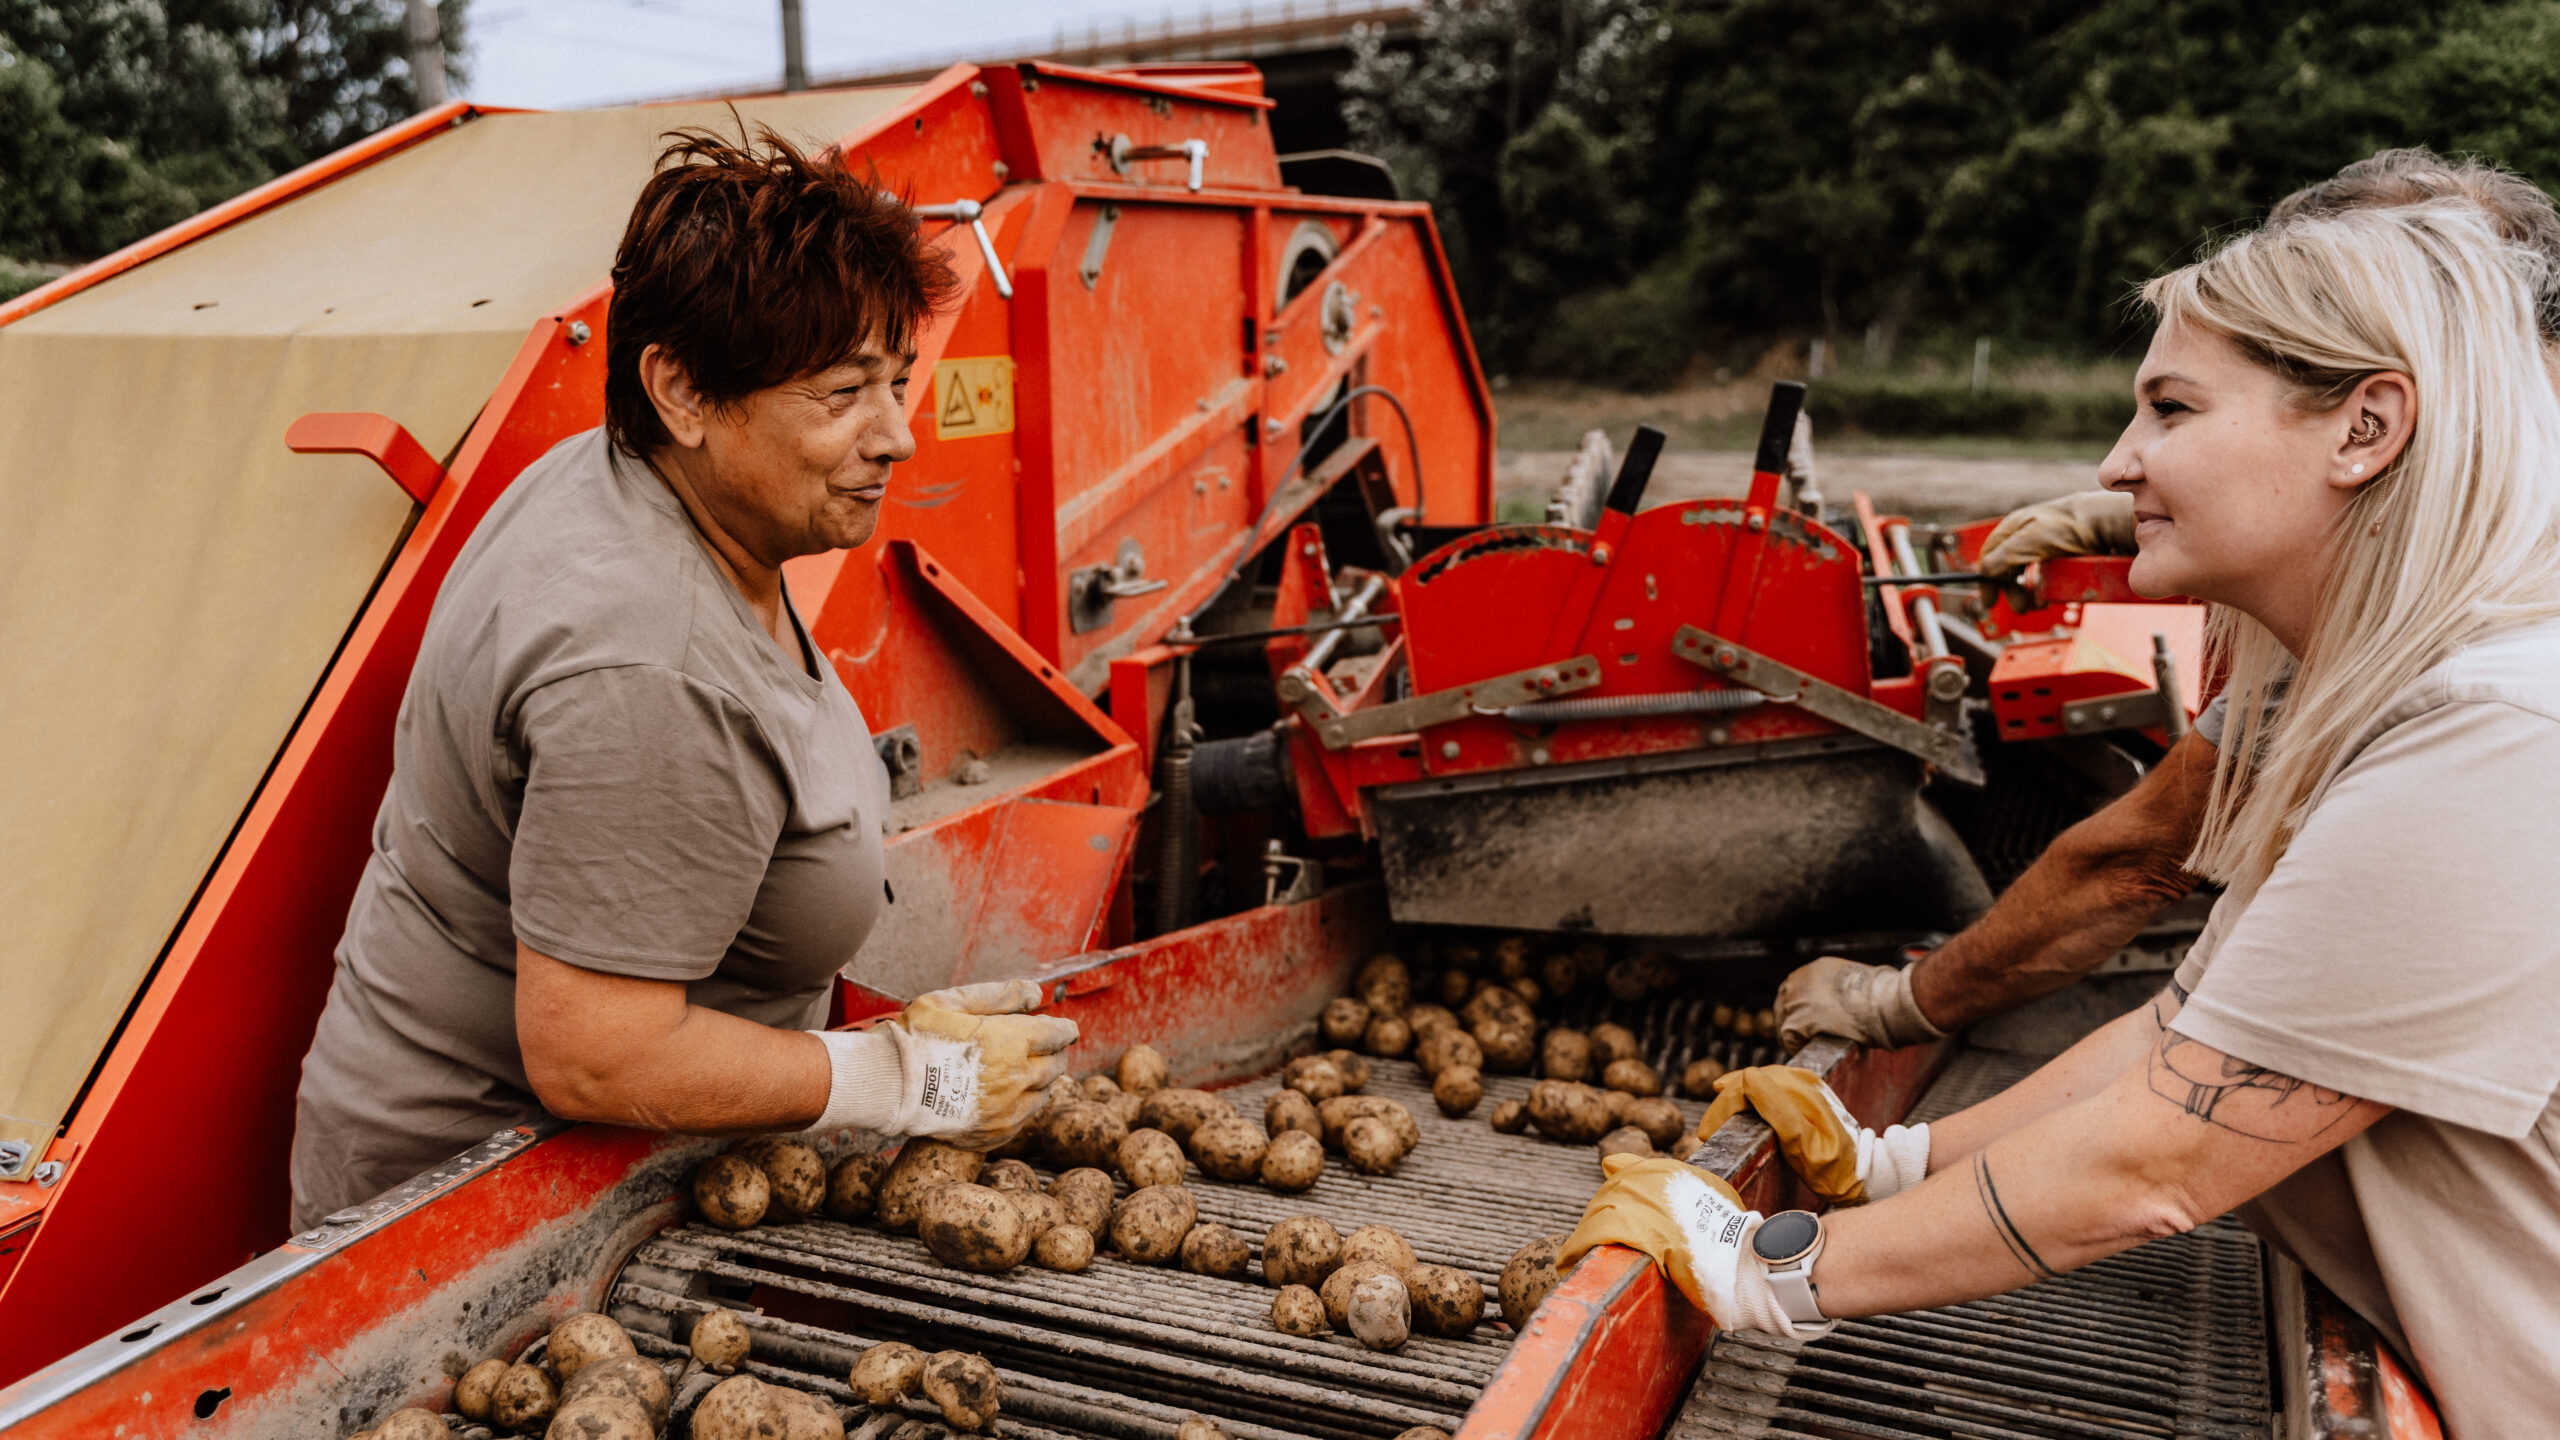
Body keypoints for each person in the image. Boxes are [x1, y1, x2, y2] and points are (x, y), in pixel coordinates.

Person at [1571, 199, 2560, 1430]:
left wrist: (1760, 1265)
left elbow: (2159, 1156)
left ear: (2364, 427)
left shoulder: (2496, 738)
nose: (2113, 462)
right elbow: (2183, 1042)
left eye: (2171, 409)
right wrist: (1892, 1162)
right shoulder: (2376, 696)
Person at [286, 130, 1075, 1230]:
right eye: (842, 392)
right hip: (485, 1219)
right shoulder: (648, 665)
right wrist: (921, 1081)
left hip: (573, 1165)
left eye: (895, 381)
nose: (896, 434)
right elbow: (601, 1060)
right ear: (682, 390)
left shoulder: (639, 479)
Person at [1776, 146, 2560, 1052]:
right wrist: (2147, 514)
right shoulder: (2495, 455)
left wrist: (1900, 1005)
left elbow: (2140, 857)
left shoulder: (2454, 631)